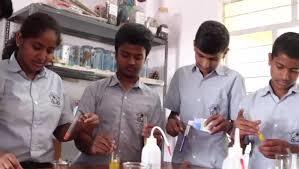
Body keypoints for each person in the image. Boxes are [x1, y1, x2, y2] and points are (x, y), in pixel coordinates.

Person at [0, 13, 99, 169]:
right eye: (37, 47)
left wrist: (80, 125)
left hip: (45, 165)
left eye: (50, 50)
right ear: (20, 39)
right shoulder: (2, 74)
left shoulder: (55, 82)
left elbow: (61, 133)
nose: (43, 56)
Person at [73, 23, 164, 165]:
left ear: (145, 59)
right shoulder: (94, 90)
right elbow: (78, 136)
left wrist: (155, 139)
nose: (131, 62)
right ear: (115, 54)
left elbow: (156, 143)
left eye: (138, 57)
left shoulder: (153, 99)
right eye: (125, 55)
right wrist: (91, 145)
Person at [165, 20, 246, 168]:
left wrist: (228, 125)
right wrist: (171, 123)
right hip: (182, 161)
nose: (205, 64)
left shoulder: (234, 80)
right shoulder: (181, 76)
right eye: (200, 55)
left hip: (214, 163)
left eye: (213, 58)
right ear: (194, 45)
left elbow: (240, 131)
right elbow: (173, 115)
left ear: (225, 53)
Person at [234, 32, 299, 169]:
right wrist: (238, 136)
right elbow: (238, 149)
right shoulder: (249, 102)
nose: (285, 76)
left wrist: (292, 149)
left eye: (295, 70)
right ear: (270, 59)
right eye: (280, 67)